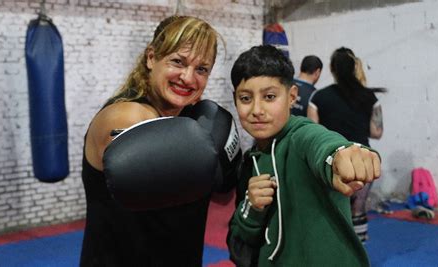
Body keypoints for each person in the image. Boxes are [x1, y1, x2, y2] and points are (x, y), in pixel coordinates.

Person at [80, 15, 238, 266]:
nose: (188, 78)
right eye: (178, 62)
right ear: (151, 57)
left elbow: (220, 196)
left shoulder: (190, 120)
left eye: (201, 69)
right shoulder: (127, 114)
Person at [226, 45, 381, 266]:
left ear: (291, 97)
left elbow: (318, 140)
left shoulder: (299, 137)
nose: (257, 110)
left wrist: (337, 156)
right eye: (245, 98)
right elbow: (241, 239)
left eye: (269, 97)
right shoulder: (249, 163)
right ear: (235, 99)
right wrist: (252, 207)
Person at [307, 47, 386, 243]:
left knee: (331, 211)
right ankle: (358, 256)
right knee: (357, 210)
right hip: (363, 158)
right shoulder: (370, 97)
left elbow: (312, 134)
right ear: (354, 67)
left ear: (332, 69)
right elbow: (377, 132)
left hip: (333, 160)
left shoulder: (318, 97)